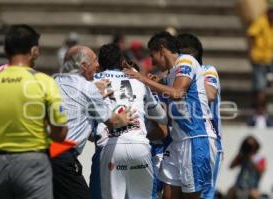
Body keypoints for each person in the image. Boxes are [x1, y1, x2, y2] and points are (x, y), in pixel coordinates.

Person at [0, 24, 68, 199]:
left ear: (5, 49)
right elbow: (59, 133)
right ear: (34, 51)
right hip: (33, 164)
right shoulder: (45, 82)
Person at [124, 31, 218, 199]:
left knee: (191, 196)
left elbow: (177, 93)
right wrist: (153, 84)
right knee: (167, 195)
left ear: (162, 49)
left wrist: (144, 79)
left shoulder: (185, 61)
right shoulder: (170, 75)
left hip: (196, 138)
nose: (151, 61)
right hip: (178, 141)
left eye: (152, 55)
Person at [52, 45, 135, 199]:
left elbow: (75, 106)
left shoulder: (54, 81)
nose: (98, 65)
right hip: (63, 156)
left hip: (43, 154)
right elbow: (113, 121)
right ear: (84, 66)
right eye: (94, 61)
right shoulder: (88, 88)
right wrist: (127, 116)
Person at [89, 43, 167, 199]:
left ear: (100, 63)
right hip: (140, 145)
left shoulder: (92, 81)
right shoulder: (138, 80)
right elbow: (162, 117)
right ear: (121, 62)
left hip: (108, 147)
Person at [177, 33, 223, 199]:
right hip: (185, 140)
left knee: (204, 194)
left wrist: (192, 74)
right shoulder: (176, 75)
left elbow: (210, 94)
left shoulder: (207, 70)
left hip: (209, 140)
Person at [247, 5, 273, 128]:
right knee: (260, 87)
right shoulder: (261, 21)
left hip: (271, 59)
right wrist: (251, 52)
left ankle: (264, 110)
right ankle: (260, 112)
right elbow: (251, 35)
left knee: (265, 87)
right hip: (260, 60)